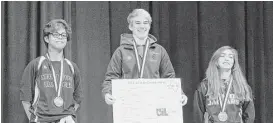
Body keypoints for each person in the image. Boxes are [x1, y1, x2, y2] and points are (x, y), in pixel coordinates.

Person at [102, 8, 188, 106]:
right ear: (131, 26)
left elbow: (170, 77)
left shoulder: (159, 51)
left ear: (149, 26)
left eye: (145, 23)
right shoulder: (121, 51)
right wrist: (107, 93)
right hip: (129, 103)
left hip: (154, 102)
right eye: (137, 23)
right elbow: (111, 77)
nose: (142, 26)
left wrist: (180, 94)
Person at [20, 19, 83, 123]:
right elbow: (25, 98)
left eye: (63, 35)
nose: (60, 37)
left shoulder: (72, 67)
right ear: (46, 38)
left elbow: (78, 98)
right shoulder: (35, 65)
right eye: (56, 34)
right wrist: (34, 119)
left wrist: (69, 115)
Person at [193, 46, 255, 123]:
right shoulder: (204, 86)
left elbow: (249, 115)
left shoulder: (242, 87)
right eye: (222, 56)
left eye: (231, 57)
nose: (227, 59)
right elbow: (198, 115)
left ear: (234, 63)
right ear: (216, 61)